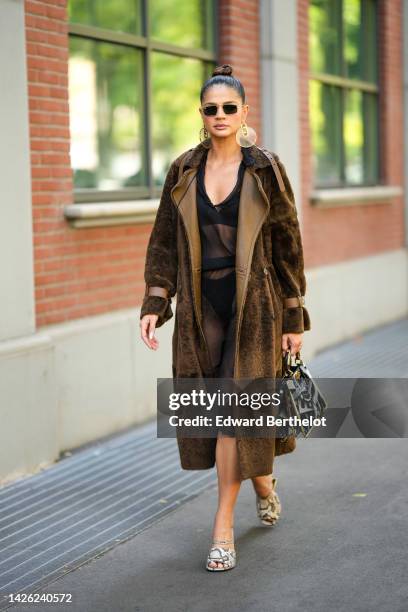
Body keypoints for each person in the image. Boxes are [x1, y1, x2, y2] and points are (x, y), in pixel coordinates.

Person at [139, 64, 311, 571]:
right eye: (211, 108)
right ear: (201, 113)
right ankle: (264, 482)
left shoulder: (265, 169)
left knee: (235, 414)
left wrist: (293, 317)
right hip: (199, 309)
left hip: (252, 307)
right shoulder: (183, 170)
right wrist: (155, 303)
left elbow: (287, 244)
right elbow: (164, 241)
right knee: (220, 417)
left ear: (244, 113)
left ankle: (222, 529)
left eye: (228, 108)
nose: (219, 115)